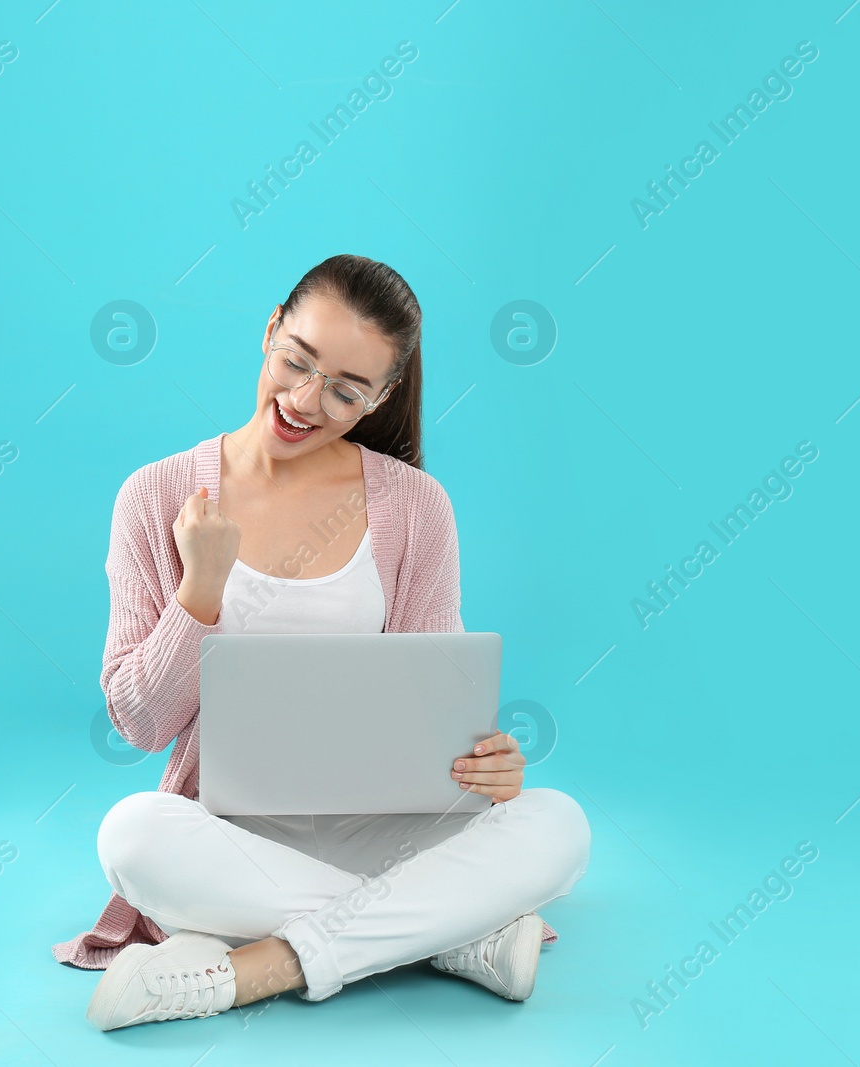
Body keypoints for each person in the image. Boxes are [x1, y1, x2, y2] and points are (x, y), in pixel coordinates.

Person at [53, 254, 592, 1031]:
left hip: (383, 826)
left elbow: (435, 693)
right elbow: (137, 723)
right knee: (133, 833)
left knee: (559, 822)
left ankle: (252, 968)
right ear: (271, 330)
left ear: (383, 395)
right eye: (296, 362)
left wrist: (487, 761)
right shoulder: (155, 494)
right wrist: (198, 590)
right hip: (229, 835)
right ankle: (453, 934)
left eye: (346, 389)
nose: (306, 402)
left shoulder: (414, 505)